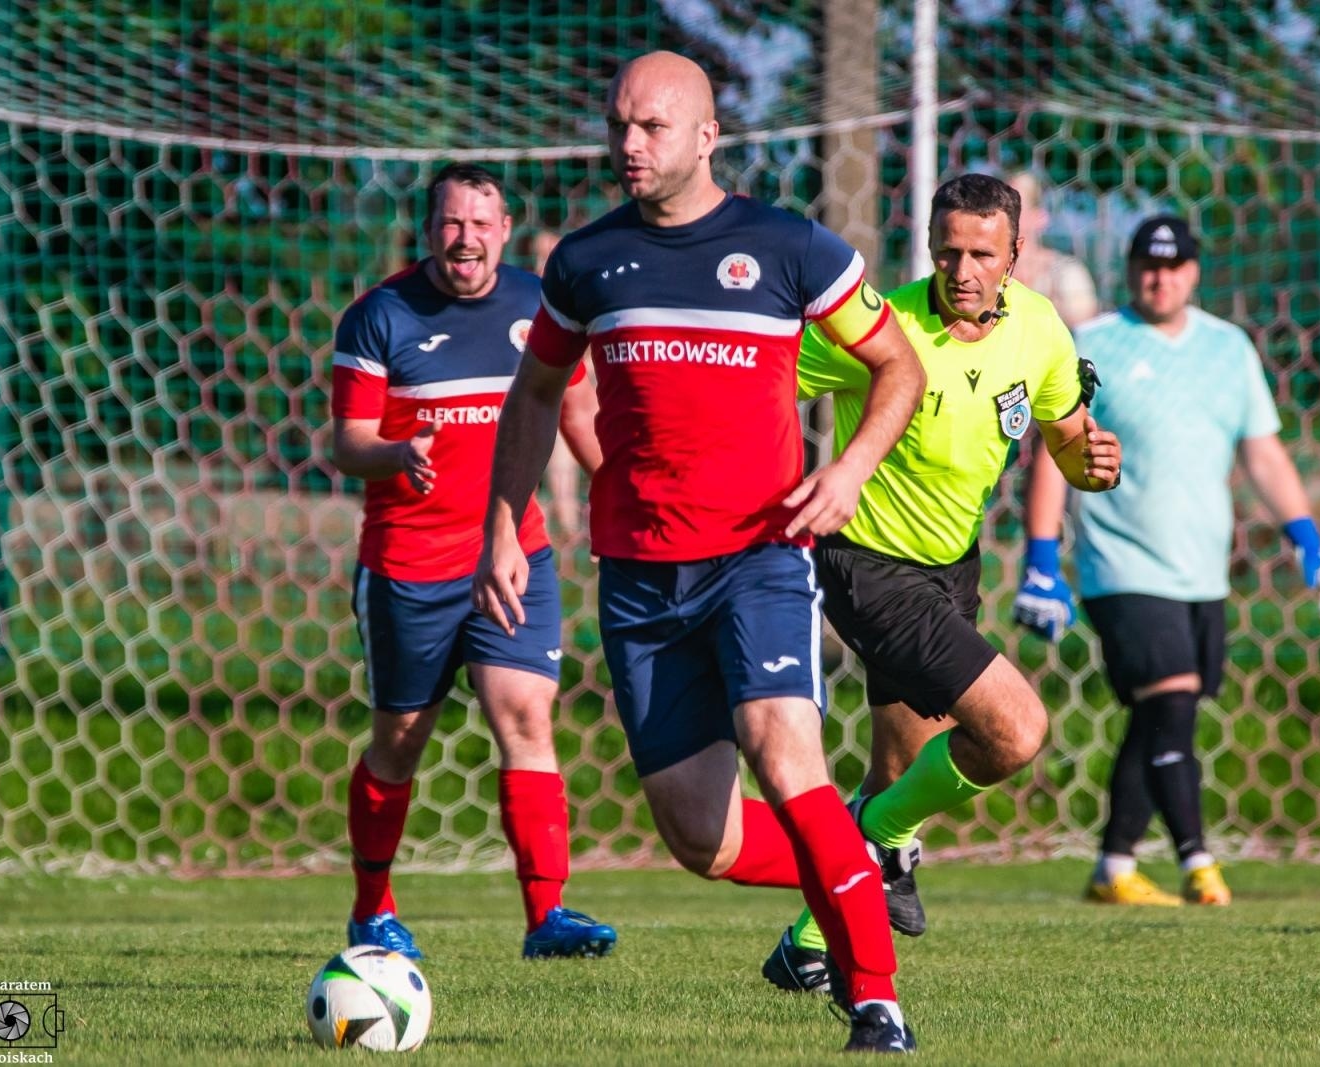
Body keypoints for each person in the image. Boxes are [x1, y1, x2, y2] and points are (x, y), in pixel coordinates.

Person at [473, 51, 926, 1054]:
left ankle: (875, 1000)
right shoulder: (585, 261)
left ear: (707, 136)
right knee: (700, 839)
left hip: (757, 558)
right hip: (638, 578)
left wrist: (848, 468)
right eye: (618, 125)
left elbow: (897, 363)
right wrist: (504, 523)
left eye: (650, 128)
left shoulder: (785, 246)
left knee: (783, 752)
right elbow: (536, 395)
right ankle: (857, 862)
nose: (627, 146)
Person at [763, 173, 1123, 994]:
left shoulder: (1039, 331)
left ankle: (807, 945)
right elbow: (769, 381)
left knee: (900, 770)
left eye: (983, 255)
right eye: (949, 251)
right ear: (928, 246)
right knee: (1014, 729)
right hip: (868, 565)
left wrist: (1093, 465)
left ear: (1016, 256)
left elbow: (1068, 437)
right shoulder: (882, 329)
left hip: (953, 567)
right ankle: (882, 838)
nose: (963, 271)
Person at [1014, 215, 1320, 906]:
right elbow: (1056, 446)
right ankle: (1200, 864)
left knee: (1165, 713)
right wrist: (1042, 557)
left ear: (1194, 272)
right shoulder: (1095, 343)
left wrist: (1309, 541)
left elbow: (1262, 451)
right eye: (1144, 264)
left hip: (1200, 571)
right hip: (1122, 567)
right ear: (1130, 269)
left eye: (1171, 265)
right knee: (1170, 698)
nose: (1156, 277)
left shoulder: (1229, 349)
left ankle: (1113, 868)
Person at [329, 162, 617, 961]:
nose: (467, 238)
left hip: (514, 552)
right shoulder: (379, 316)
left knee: (525, 718)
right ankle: (371, 909)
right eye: (452, 223)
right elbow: (346, 442)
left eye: (481, 224)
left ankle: (546, 917)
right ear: (430, 232)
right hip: (408, 565)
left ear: (504, 230)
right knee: (401, 741)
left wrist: (620, 490)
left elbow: (579, 412)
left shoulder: (537, 305)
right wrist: (394, 450)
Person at [525, 227, 584, 537]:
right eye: (536, 257)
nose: (540, 265)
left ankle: (569, 527)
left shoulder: (577, 290)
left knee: (565, 445)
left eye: (547, 257)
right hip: (533, 395)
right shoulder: (525, 294)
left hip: (571, 393)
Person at [1006, 172, 1099, 329]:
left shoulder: (1066, 273)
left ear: (1040, 217)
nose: (1004, 214)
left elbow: (1085, 336)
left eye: (1013, 206)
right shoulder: (984, 270)